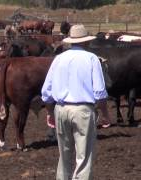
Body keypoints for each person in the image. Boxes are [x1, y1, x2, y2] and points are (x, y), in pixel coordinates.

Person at [41, 24, 111, 180]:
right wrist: (105, 114)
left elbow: (46, 92)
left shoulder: (59, 59)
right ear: (86, 42)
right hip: (83, 110)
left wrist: (49, 112)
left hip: (61, 108)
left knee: (64, 155)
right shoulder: (92, 58)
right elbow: (99, 91)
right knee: (84, 156)